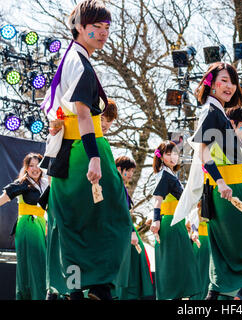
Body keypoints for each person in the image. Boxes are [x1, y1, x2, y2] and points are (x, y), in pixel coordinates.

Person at [39, 0, 132, 300]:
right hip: (84, 149)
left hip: (72, 148)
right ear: (80, 27)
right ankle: (95, 285)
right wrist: (93, 156)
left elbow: (58, 109)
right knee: (114, 218)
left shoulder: (74, 58)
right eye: (97, 27)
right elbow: (81, 114)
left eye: (107, 28)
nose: (104, 33)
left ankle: (77, 288)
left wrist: (59, 125)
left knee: (76, 222)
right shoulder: (79, 62)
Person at [172, 62, 242, 300]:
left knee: (225, 252)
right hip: (228, 191)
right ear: (210, 83)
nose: (229, 86)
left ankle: (217, 298)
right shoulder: (211, 112)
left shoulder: (217, 111)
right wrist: (221, 181)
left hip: (224, 192)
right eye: (223, 80)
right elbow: (201, 150)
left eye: (232, 81)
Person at [147, 141, 201, 300]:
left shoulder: (169, 174)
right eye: (168, 154)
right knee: (175, 265)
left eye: (175, 153)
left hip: (177, 223)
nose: (173, 157)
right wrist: (156, 221)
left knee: (179, 265)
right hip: (170, 223)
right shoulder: (164, 174)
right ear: (161, 157)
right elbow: (157, 199)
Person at [0, 153, 47, 300]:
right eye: (31, 165)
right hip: (28, 225)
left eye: (37, 165)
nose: (34, 169)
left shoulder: (45, 183)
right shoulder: (22, 183)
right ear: (26, 168)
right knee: (33, 266)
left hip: (40, 226)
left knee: (38, 265)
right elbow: (4, 198)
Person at [114, 156, 154, 300]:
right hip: (123, 230)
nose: (131, 174)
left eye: (132, 171)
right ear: (119, 169)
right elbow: (122, 212)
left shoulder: (119, 186)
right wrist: (131, 232)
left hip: (124, 229)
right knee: (129, 265)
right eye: (128, 170)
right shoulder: (116, 186)